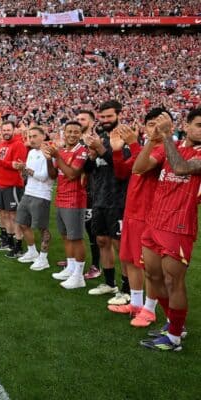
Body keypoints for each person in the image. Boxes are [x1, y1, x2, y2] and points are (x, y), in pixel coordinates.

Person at [137, 109, 201, 351]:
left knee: (174, 280)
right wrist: (152, 140)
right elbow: (140, 168)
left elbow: (181, 168)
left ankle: (174, 338)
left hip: (179, 225)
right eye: (198, 125)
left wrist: (166, 137)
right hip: (155, 221)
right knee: (153, 276)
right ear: (186, 124)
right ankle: (174, 324)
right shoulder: (169, 145)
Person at [108, 109, 167, 327]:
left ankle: (150, 310)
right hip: (132, 212)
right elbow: (123, 172)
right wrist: (116, 152)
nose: (155, 129)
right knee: (130, 259)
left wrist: (133, 144)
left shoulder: (164, 150)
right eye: (151, 124)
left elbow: (141, 167)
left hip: (149, 214)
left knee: (149, 266)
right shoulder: (144, 149)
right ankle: (135, 303)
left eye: (159, 124)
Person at [83, 101, 130, 302]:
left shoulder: (127, 137)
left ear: (119, 114)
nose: (105, 121)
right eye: (102, 117)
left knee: (121, 246)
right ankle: (110, 284)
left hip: (119, 199)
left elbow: (124, 169)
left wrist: (101, 149)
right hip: (99, 198)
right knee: (102, 241)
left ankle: (128, 289)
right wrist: (91, 155)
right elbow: (89, 168)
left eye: (109, 116)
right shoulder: (100, 137)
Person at [44, 122, 89, 288]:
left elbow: (71, 175)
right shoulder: (62, 151)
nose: (71, 134)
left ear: (80, 134)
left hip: (75, 200)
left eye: (75, 132)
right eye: (69, 131)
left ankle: (79, 276)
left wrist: (56, 156)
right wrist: (49, 159)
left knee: (76, 238)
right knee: (65, 236)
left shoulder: (82, 151)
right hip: (61, 197)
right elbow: (53, 175)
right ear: (64, 132)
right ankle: (71, 269)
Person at [14, 126, 55, 268]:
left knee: (42, 228)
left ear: (43, 136)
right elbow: (27, 175)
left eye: (34, 136)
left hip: (42, 194)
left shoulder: (49, 152)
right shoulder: (31, 152)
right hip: (29, 191)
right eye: (29, 136)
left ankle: (44, 259)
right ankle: (32, 252)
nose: (31, 139)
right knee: (22, 223)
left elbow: (44, 176)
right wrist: (22, 169)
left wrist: (25, 169)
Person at [0, 121, 28, 257]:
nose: (6, 132)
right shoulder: (0, 146)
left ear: (13, 130)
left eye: (8, 130)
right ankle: (9, 241)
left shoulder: (18, 145)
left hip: (12, 185)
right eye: (4, 130)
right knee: (4, 213)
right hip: (0, 184)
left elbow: (17, 165)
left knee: (14, 215)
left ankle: (18, 245)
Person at [75, 110, 101, 279]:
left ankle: (96, 266)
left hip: (92, 191)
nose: (79, 121)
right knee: (75, 227)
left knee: (93, 230)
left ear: (91, 123)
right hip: (76, 191)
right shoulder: (76, 141)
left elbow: (91, 167)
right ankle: (73, 259)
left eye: (82, 119)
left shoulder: (95, 141)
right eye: (77, 118)